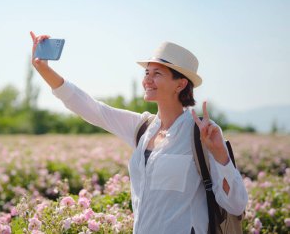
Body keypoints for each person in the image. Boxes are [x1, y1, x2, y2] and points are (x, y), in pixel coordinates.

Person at [29, 31, 248, 234]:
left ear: (180, 84)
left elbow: (236, 204)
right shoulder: (143, 127)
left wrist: (219, 153)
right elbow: (94, 109)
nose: (147, 80)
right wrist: (44, 69)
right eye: (147, 73)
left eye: (157, 74)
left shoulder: (201, 132)